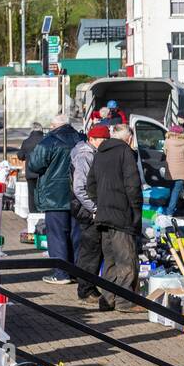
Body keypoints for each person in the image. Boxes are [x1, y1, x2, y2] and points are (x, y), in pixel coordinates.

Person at [86, 122, 143, 311]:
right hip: (122, 215)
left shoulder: (100, 153)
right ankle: (126, 302)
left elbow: (90, 185)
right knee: (126, 258)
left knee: (110, 260)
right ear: (129, 138)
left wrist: (100, 202)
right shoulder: (125, 152)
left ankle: (107, 299)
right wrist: (135, 210)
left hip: (103, 214)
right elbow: (133, 185)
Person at [27, 113, 86, 285]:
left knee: (57, 235)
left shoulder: (49, 141)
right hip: (78, 195)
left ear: (54, 125)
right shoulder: (80, 139)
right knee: (76, 235)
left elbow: (34, 165)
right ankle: (76, 271)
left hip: (55, 196)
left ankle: (61, 273)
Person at [71, 124, 107, 304]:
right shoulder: (86, 155)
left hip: (86, 207)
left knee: (92, 249)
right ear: (91, 139)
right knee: (91, 249)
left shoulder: (91, 153)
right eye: (102, 139)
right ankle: (85, 290)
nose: (105, 142)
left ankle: (88, 286)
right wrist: (94, 208)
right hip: (86, 209)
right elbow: (79, 187)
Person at [162, 123, 184, 216]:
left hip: (170, 170)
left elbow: (165, 152)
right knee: (176, 191)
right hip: (182, 171)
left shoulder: (167, 141)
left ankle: (168, 210)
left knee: (172, 190)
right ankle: (170, 212)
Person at [18, 122, 46, 213]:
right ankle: (43, 212)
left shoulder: (26, 142)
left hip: (30, 173)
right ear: (41, 130)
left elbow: (20, 156)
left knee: (31, 195)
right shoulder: (46, 140)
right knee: (43, 194)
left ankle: (33, 214)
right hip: (43, 173)